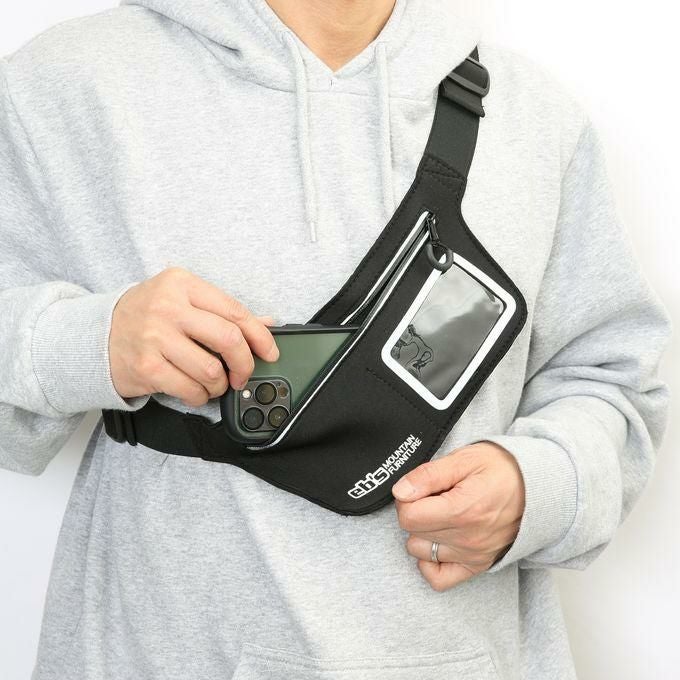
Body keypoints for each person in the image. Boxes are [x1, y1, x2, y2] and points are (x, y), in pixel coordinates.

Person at [0, 1, 671, 678]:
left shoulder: (536, 120)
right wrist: (87, 343)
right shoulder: (68, 85)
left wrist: (537, 487)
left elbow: (614, 381)